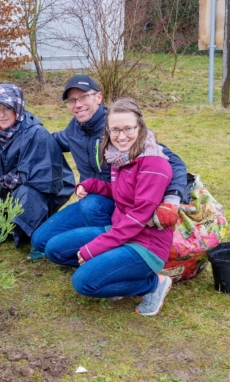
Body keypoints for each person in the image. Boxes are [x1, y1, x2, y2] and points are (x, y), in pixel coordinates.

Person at [28, 74, 187, 261]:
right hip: (92, 198)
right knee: (40, 241)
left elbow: (173, 162)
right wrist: (23, 130)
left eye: (84, 97)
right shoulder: (74, 130)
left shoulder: (118, 126)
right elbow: (50, 141)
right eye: (72, 100)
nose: (78, 104)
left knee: (91, 205)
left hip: (123, 204)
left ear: (99, 97)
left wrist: (172, 198)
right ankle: (91, 253)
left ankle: (115, 253)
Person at [45, 98, 174, 316]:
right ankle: (114, 272)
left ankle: (153, 285)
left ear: (140, 127)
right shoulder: (121, 157)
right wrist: (92, 184)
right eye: (115, 130)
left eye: (128, 129)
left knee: (83, 282)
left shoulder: (153, 163)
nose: (121, 136)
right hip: (121, 232)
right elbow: (122, 193)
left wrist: (94, 248)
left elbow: (137, 217)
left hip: (146, 245)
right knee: (54, 248)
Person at [0, 84, 75, 247]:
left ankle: (29, 227)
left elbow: (44, 175)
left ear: (18, 108)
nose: (2, 114)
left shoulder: (37, 134)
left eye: (7, 108)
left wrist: (6, 182)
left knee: (26, 192)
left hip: (35, 192)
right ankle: (2, 223)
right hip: (3, 192)